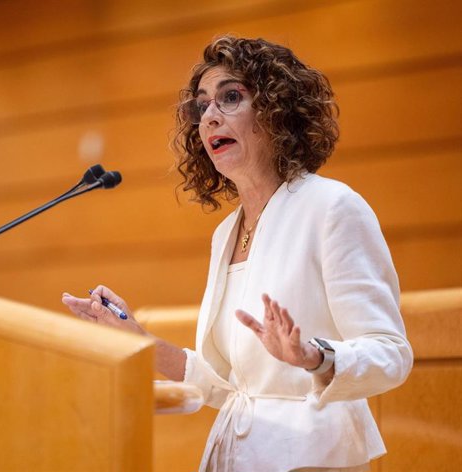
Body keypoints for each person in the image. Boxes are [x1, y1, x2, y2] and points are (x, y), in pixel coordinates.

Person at [62, 35, 412, 471]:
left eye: (230, 97)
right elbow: (227, 386)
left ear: (277, 111)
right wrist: (140, 341)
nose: (209, 117)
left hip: (313, 457)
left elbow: (392, 353)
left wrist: (316, 357)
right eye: (202, 105)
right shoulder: (226, 233)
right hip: (238, 455)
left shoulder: (332, 207)